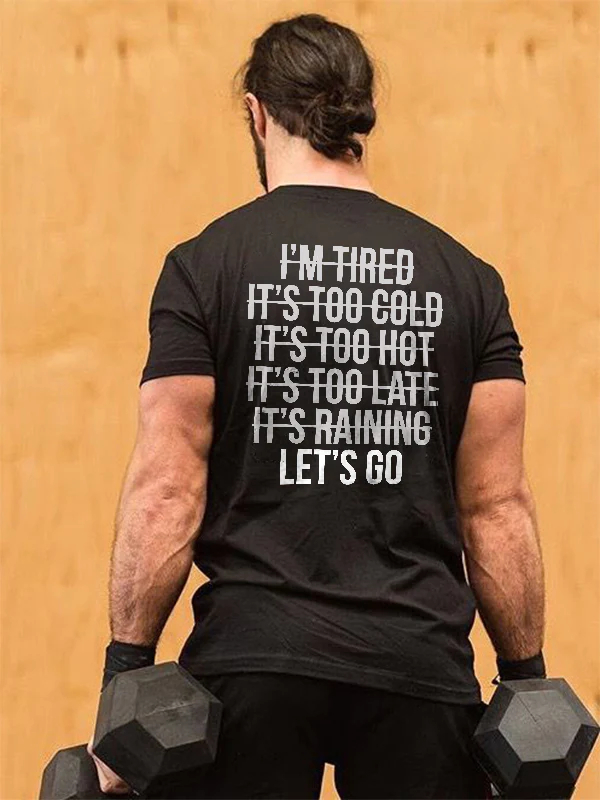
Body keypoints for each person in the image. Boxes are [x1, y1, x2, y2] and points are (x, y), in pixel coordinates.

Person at [88, 12, 546, 800]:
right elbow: (496, 507)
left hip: (252, 663)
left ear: (258, 113)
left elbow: (166, 488)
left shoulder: (204, 266)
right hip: (417, 663)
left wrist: (125, 671)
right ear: (361, 115)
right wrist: (527, 684)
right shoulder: (469, 281)